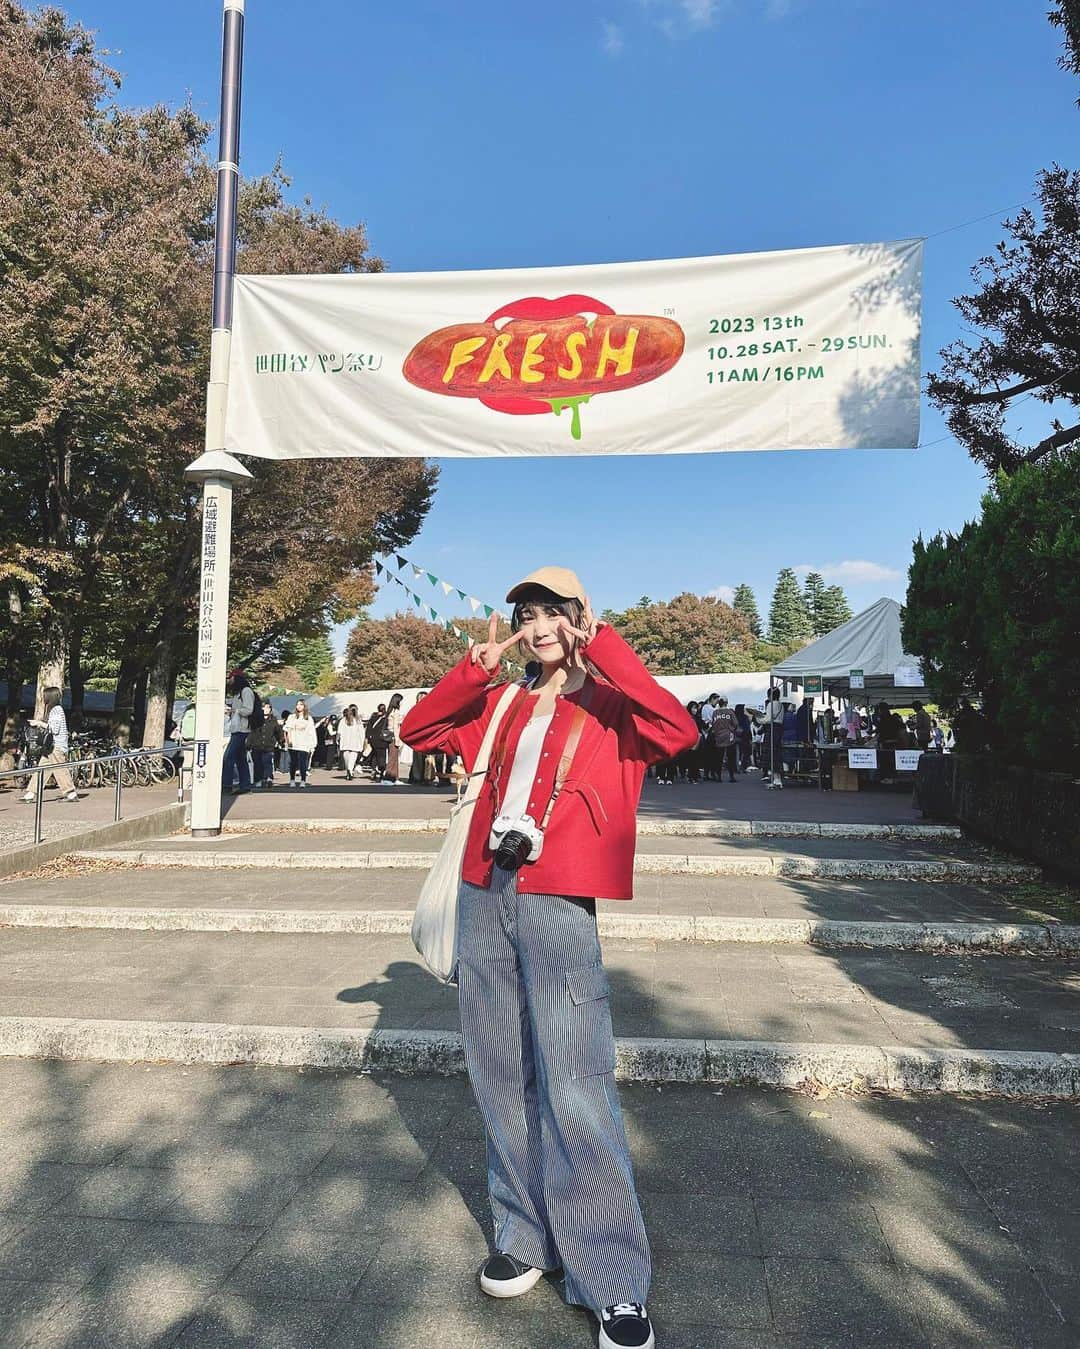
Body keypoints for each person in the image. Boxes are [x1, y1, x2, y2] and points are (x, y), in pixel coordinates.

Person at [401, 566, 698, 1349]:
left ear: (578, 618)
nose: (538, 628)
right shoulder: (499, 701)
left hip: (560, 897)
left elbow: (678, 730)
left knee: (574, 1075)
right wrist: (474, 671)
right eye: (528, 615)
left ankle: (611, 1274)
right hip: (481, 890)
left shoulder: (608, 703)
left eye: (553, 614)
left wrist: (605, 647)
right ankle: (525, 1232)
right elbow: (420, 732)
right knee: (498, 1066)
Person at [20, 686, 78, 803]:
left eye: (45, 695)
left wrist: (39, 723)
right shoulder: (55, 709)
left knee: (60, 769)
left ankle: (71, 793)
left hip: (56, 746)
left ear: (50, 697)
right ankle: (30, 794)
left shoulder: (56, 710)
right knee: (42, 769)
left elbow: (54, 729)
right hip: (51, 746)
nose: (43, 697)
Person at [222, 669, 256, 796]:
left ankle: (226, 785)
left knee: (228, 758)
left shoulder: (246, 691)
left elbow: (248, 709)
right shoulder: (238, 693)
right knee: (240, 759)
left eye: (230, 678)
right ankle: (245, 785)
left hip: (242, 729)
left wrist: (235, 710)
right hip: (237, 729)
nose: (229, 681)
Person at [283, 699, 317, 787]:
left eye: (301, 705)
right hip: (293, 743)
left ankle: (303, 780)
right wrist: (288, 741)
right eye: (297, 704)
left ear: (304, 706)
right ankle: (292, 780)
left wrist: (312, 744)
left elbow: (312, 732)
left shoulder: (309, 718)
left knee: (303, 762)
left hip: (304, 743)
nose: (299, 706)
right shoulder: (292, 717)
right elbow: (287, 729)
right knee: (293, 762)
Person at [248, 702, 281, 788]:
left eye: (267, 708)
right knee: (258, 764)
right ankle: (258, 780)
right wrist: (248, 744)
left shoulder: (273, 720)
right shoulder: (255, 720)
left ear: (270, 710)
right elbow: (251, 733)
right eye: (263, 708)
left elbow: (278, 732)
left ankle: (268, 778)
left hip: (268, 745)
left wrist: (279, 741)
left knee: (267, 762)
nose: (265, 710)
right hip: (256, 745)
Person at [710, 697, 739, 783]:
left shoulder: (715, 713)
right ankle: (731, 776)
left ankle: (718, 776)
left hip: (718, 736)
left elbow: (713, 724)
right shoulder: (730, 712)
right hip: (729, 736)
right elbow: (736, 724)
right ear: (726, 703)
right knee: (731, 757)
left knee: (718, 757)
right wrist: (732, 729)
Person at [762, 687, 785, 788]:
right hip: (779, 729)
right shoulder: (781, 705)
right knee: (777, 754)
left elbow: (767, 719)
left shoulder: (771, 704)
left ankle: (776, 779)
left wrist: (757, 718)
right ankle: (777, 778)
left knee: (771, 754)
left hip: (772, 729)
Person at [382, 692, 405, 785]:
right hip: (394, 737)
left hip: (390, 736)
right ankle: (388, 778)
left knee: (394, 758)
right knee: (393, 758)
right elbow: (395, 727)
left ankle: (395, 777)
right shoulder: (396, 711)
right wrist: (397, 740)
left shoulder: (390, 710)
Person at [337, 705, 365, 780]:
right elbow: (362, 732)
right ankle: (350, 769)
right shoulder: (358, 720)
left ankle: (348, 770)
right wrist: (362, 742)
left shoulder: (343, 720)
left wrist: (338, 739)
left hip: (345, 742)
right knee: (353, 758)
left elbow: (339, 732)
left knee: (346, 758)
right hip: (355, 742)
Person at [366, 703, 391, 781]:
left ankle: (373, 770)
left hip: (373, 740)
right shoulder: (386, 718)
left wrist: (368, 738)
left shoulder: (373, 717)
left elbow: (368, 729)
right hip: (382, 740)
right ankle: (381, 772)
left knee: (374, 756)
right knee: (382, 756)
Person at [734, 703, 752, 772]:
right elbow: (747, 728)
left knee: (736, 753)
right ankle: (743, 767)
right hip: (744, 737)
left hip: (736, 737)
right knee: (744, 753)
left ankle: (736, 767)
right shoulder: (744, 717)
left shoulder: (734, 716)